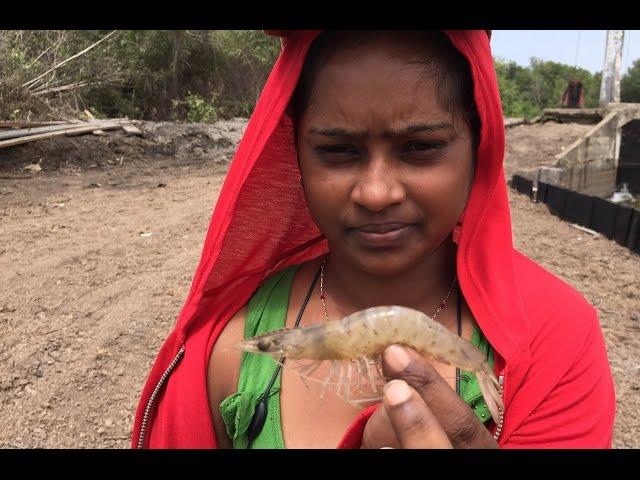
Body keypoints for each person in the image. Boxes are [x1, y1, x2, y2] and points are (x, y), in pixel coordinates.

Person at [132, 30, 616, 449]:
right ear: (294, 152)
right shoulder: (222, 347)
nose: (376, 193)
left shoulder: (557, 340)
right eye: (338, 150)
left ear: (479, 146)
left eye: (421, 147)